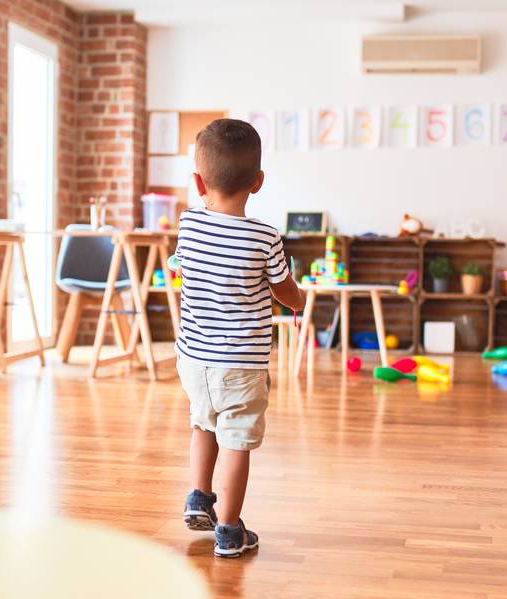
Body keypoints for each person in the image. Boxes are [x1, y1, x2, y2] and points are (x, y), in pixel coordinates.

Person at [174, 118, 305, 558]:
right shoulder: (265, 237)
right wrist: (299, 300)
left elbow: (182, 267)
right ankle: (228, 531)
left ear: (198, 182)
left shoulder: (188, 225)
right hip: (240, 365)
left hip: (193, 359)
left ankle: (198, 495)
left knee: (202, 422)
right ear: (258, 182)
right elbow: (284, 291)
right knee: (236, 438)